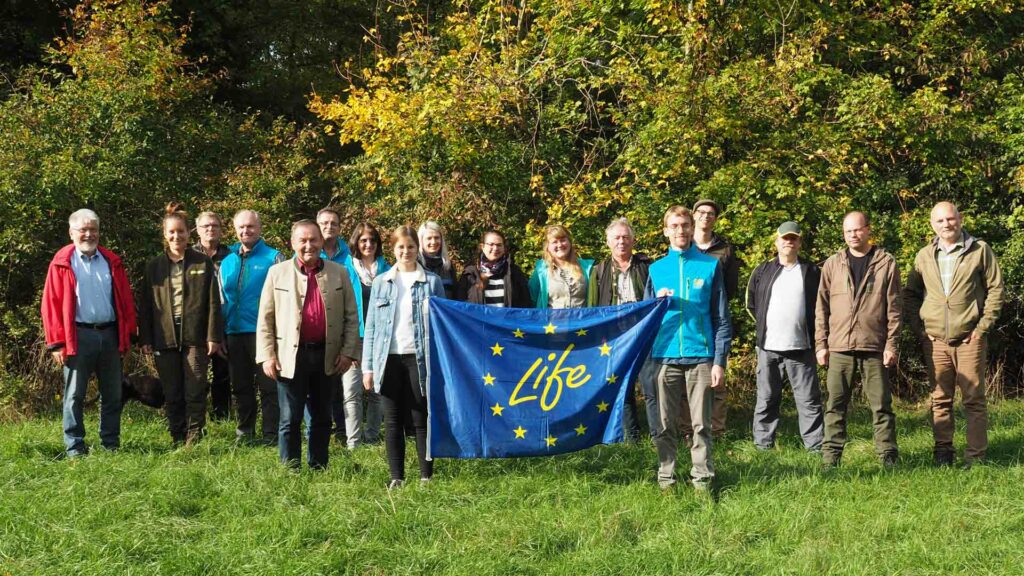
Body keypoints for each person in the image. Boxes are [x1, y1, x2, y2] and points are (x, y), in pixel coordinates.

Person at [904, 201, 1004, 467]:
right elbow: (911, 295)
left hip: (970, 337)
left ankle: (975, 457)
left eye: (950, 219)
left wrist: (982, 328)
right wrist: (920, 330)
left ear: (959, 219)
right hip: (935, 340)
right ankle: (943, 453)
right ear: (932, 225)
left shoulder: (980, 250)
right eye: (940, 221)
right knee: (940, 400)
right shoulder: (924, 255)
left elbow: (995, 289)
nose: (946, 224)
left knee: (974, 400)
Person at [256, 220, 360, 469]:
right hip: (290, 357)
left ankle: (318, 467)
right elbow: (265, 318)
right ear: (292, 244)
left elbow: (351, 317)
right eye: (302, 240)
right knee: (289, 418)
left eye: (313, 239)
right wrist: (267, 355)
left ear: (321, 242)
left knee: (322, 417)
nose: (308, 245)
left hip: (327, 355)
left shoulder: (339, 272)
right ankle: (290, 469)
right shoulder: (276, 273)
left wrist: (348, 353)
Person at [644, 206, 731, 492]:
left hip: (701, 357)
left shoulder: (709, 266)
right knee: (665, 425)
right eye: (674, 225)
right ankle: (666, 479)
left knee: (701, 425)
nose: (680, 230)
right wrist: (656, 303)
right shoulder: (656, 270)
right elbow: (644, 320)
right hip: (663, 356)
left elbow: (721, 318)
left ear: (692, 228)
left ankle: (702, 481)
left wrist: (719, 361)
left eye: (685, 225)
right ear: (665, 230)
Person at [42, 209, 136, 458]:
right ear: (71, 233)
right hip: (78, 337)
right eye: (83, 229)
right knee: (74, 395)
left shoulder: (111, 261)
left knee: (113, 395)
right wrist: (56, 343)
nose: (88, 234)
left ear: (99, 232)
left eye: (93, 229)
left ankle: (110, 445)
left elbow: (125, 300)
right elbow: (50, 304)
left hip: (110, 334)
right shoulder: (62, 262)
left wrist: (128, 333)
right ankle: (75, 447)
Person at [362, 225, 446, 488]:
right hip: (388, 359)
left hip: (419, 359)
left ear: (417, 248)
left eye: (411, 247)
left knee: (422, 418)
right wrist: (369, 367)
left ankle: (425, 476)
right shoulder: (381, 282)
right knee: (393, 420)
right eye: (401, 247)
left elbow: (442, 323)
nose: (406, 252)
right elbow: (372, 326)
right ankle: (396, 477)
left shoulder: (431, 281)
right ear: (393, 250)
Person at [815, 211, 901, 468]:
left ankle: (888, 458)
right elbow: (821, 307)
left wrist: (892, 344)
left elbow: (895, 309)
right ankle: (831, 460)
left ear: (868, 230)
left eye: (857, 229)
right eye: (847, 231)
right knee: (834, 406)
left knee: (882, 406)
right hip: (839, 347)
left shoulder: (885, 263)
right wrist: (821, 344)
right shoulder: (833, 263)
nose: (853, 235)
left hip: (874, 346)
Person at [139, 203, 223, 446]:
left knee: (195, 390)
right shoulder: (154, 266)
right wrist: (145, 337)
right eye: (172, 232)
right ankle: (177, 437)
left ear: (189, 233)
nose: (177, 236)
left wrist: (213, 336)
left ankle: (194, 438)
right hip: (164, 336)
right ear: (165, 235)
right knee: (173, 393)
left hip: (195, 336)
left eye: (181, 232)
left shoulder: (201, 263)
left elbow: (213, 302)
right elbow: (145, 304)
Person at [746, 222, 824, 451]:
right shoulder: (762, 271)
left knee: (809, 401)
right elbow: (750, 304)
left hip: (802, 347)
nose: (789, 242)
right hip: (768, 348)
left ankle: (816, 447)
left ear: (800, 242)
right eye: (784, 238)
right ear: (776, 241)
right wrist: (764, 330)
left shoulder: (812, 272)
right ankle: (763, 447)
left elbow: (822, 306)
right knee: (766, 400)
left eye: (794, 238)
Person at [220, 209, 285, 445]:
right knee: (240, 387)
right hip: (234, 333)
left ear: (259, 228)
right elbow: (221, 300)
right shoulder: (227, 261)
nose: (245, 231)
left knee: (269, 387)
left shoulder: (274, 258)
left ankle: (271, 435)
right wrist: (220, 334)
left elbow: (285, 297)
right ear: (235, 229)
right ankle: (244, 433)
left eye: (250, 226)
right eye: (241, 227)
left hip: (264, 334)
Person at [587, 218, 654, 441]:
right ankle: (631, 438)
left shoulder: (647, 267)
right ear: (608, 242)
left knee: (651, 386)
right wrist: (599, 338)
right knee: (622, 388)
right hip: (614, 338)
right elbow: (592, 308)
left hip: (644, 335)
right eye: (617, 237)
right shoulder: (598, 271)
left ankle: (658, 436)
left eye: (626, 237)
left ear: (633, 240)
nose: (621, 241)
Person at [690, 199, 741, 437]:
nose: (705, 216)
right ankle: (687, 430)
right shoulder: (683, 245)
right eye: (701, 212)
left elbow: (730, 288)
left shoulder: (725, 249)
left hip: (715, 317)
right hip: (689, 319)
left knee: (716, 374)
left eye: (710, 213)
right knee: (687, 376)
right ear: (693, 216)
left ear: (715, 219)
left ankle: (717, 431)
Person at [338, 222, 391, 447]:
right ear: (356, 243)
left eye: (372, 240)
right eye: (363, 240)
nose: (368, 244)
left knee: (378, 390)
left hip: (382, 337)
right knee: (352, 390)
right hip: (353, 337)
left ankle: (372, 435)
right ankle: (354, 441)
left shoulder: (389, 270)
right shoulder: (344, 268)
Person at [193, 210, 232, 420]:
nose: (210, 229)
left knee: (223, 375)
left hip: (224, 324)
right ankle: (194, 419)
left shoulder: (231, 257)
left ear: (221, 230)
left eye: (214, 226)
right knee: (195, 376)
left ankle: (221, 418)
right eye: (205, 226)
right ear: (197, 230)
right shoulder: (189, 256)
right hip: (195, 324)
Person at [457, 230, 531, 307]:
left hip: (507, 319)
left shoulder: (514, 272)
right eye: (491, 244)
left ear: (504, 248)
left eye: (499, 245)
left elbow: (525, 303)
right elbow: (460, 305)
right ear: (482, 246)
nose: (495, 248)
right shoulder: (470, 273)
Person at [529, 224, 595, 309]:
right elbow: (532, 300)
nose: (559, 245)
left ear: (570, 243)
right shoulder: (541, 271)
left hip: (582, 321)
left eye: (563, 240)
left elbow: (595, 299)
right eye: (554, 242)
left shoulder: (587, 268)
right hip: (551, 321)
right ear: (547, 247)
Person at [417, 220, 458, 300]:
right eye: (429, 238)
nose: (433, 242)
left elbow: (455, 296)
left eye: (436, 238)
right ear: (421, 241)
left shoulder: (447, 266)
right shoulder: (416, 265)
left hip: (444, 311)